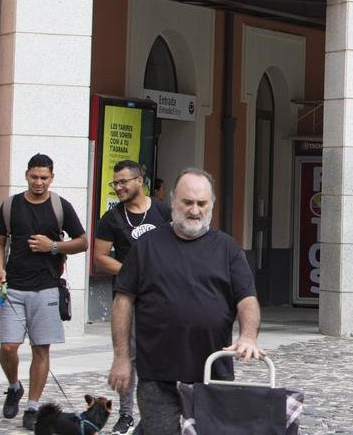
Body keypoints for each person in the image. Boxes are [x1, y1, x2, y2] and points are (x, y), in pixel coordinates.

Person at [108, 168, 261, 435]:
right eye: (187, 202)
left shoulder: (228, 249)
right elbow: (123, 300)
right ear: (172, 202)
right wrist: (121, 358)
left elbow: (247, 299)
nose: (194, 210)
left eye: (202, 203)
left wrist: (248, 336)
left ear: (211, 204)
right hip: (157, 370)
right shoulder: (146, 245)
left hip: (212, 370)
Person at [0, 153, 88, 430]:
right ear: (26, 175)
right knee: (8, 347)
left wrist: (53, 246)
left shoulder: (60, 206)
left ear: (52, 178)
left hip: (46, 287)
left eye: (44, 177)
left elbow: (83, 242)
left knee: (40, 349)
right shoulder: (11, 206)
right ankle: (14, 386)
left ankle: (32, 407)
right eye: (34, 177)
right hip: (14, 288)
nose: (39, 182)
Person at [93, 159, 173, 434]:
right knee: (129, 356)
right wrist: (133, 273)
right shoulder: (112, 218)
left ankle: (160, 412)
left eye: (123, 181)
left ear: (140, 180)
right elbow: (101, 257)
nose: (118, 187)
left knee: (163, 354)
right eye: (115, 183)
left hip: (163, 297)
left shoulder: (164, 212)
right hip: (128, 298)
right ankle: (125, 414)